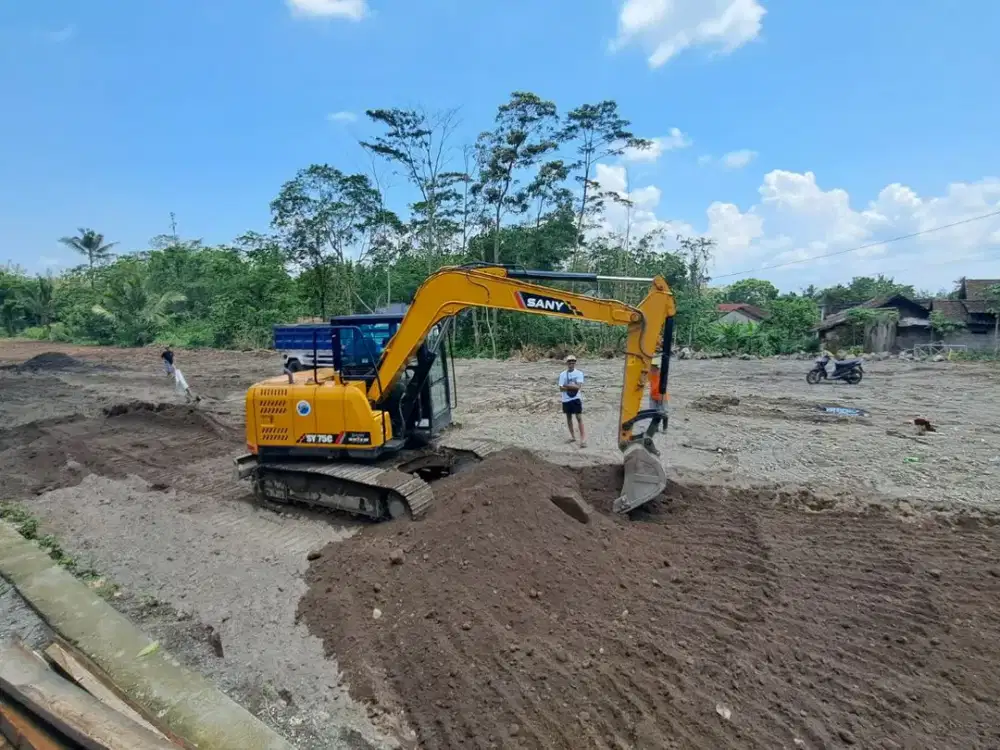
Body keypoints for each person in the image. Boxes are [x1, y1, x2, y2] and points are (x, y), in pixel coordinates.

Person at [558, 355, 586, 448]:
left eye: (573, 362)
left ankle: (583, 439)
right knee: (568, 417)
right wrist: (572, 386)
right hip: (566, 399)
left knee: (579, 417)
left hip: (576, 398)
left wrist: (567, 385)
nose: (571, 363)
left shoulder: (579, 373)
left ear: (575, 363)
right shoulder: (562, 374)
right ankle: (572, 436)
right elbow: (561, 389)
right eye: (569, 362)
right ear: (567, 363)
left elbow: (578, 387)